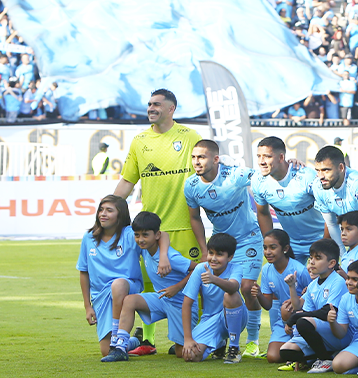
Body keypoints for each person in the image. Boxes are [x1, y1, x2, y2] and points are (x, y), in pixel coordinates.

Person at [113, 88, 200, 351]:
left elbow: (203, 167)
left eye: (157, 104)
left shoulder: (189, 136)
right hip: (151, 229)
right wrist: (110, 210)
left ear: (171, 109)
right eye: (149, 104)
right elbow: (128, 180)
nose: (151, 108)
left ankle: (189, 338)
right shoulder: (140, 140)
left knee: (191, 283)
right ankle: (148, 340)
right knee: (149, 284)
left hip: (184, 225)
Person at [183, 139, 263, 356]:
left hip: (249, 239)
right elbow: (195, 218)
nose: (196, 162)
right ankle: (219, 339)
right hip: (221, 245)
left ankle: (252, 342)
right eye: (193, 157)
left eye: (201, 157)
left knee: (245, 287)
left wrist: (290, 166)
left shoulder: (234, 175)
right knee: (219, 291)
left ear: (216, 159)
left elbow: (262, 175)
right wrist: (203, 249)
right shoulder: (191, 186)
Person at [100, 211, 195, 361]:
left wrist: (177, 287)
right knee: (130, 300)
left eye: (145, 235)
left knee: (182, 353)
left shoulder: (171, 257)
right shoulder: (145, 250)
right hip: (162, 299)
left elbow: (199, 269)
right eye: (137, 235)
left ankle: (216, 339)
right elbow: (162, 234)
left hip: (181, 305)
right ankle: (120, 347)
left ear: (156, 235)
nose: (140, 239)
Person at [76, 195, 142, 358]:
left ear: (120, 215)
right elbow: (84, 272)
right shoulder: (89, 237)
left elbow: (158, 237)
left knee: (118, 284)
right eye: (101, 210)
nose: (103, 214)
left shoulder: (130, 234)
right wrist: (87, 306)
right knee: (105, 351)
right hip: (101, 296)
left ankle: (116, 337)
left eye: (109, 210)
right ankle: (134, 341)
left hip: (128, 287)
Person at [252, 135, 326, 264]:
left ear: (281, 157)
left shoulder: (307, 177)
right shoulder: (258, 181)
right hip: (290, 244)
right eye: (259, 156)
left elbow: (330, 211)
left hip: (319, 239)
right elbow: (263, 213)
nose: (261, 161)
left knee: (321, 283)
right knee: (287, 282)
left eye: (267, 156)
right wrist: (270, 242)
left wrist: (324, 243)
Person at [280, 238, 351, 369]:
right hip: (321, 332)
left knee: (302, 321)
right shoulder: (313, 284)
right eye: (311, 257)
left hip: (338, 333)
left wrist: (295, 318)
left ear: (331, 263)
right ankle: (326, 355)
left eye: (318, 258)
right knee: (285, 352)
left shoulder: (337, 281)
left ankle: (324, 359)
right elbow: (304, 311)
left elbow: (327, 312)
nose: (312, 262)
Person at [180, 232, 246, 363]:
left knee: (230, 296)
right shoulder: (200, 269)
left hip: (235, 317)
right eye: (211, 253)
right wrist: (188, 339)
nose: (213, 258)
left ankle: (234, 348)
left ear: (230, 257)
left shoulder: (236, 268)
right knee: (190, 356)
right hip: (209, 319)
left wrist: (213, 279)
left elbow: (233, 287)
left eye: (219, 254)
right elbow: (187, 304)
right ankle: (219, 344)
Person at [254, 229, 309, 365]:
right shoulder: (266, 269)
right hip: (283, 321)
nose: (268, 252)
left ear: (285, 248)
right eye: (265, 248)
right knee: (273, 357)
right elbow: (267, 305)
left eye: (273, 247)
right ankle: (293, 349)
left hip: (303, 320)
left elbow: (314, 296)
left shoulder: (299, 270)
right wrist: (259, 294)